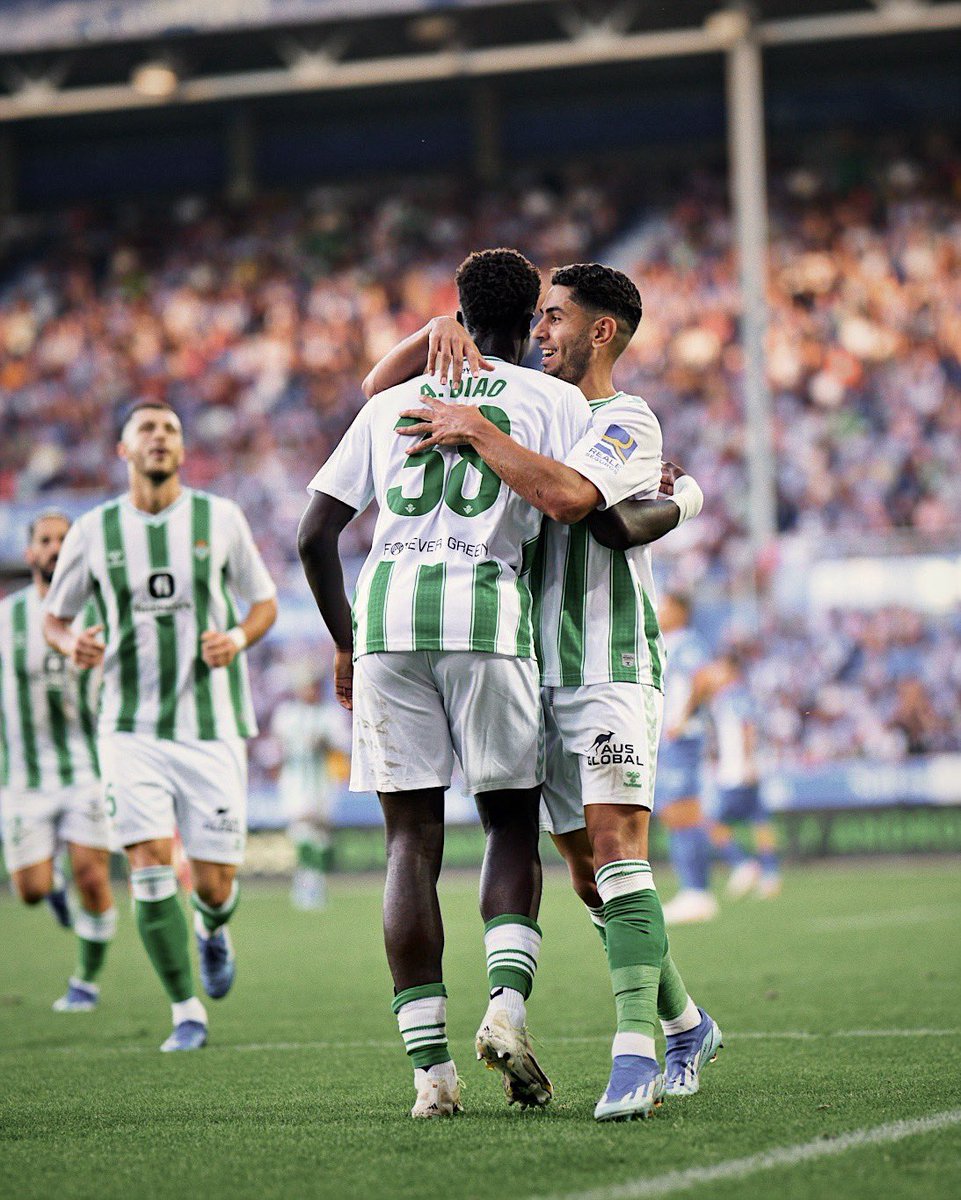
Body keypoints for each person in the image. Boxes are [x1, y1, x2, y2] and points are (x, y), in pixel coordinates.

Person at [381, 262, 721, 1121]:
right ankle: (686, 1023)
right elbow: (377, 393)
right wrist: (436, 334)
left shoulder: (623, 418)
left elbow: (575, 500)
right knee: (582, 876)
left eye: (554, 317)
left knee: (615, 848)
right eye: (535, 317)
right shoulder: (528, 397)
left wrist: (475, 429)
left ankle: (635, 1055)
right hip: (526, 666)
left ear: (600, 331)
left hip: (606, 661)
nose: (538, 330)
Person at [298, 247, 598, 1119]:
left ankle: (430, 1077)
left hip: (388, 620)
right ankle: (505, 1008)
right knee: (509, 822)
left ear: (457, 315)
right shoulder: (553, 400)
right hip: (487, 617)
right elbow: (582, 499)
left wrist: (347, 643)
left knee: (408, 844)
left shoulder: (394, 402)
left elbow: (314, 537)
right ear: (530, 317)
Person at [43, 400, 278, 1051]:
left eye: (171, 429)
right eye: (146, 429)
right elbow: (54, 619)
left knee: (214, 885)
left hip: (212, 726)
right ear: (124, 449)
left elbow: (262, 605)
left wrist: (235, 638)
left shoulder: (219, 518)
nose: (160, 438)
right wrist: (72, 647)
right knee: (145, 863)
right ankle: (185, 1011)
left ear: (181, 448)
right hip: (128, 726)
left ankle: (211, 927)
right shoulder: (94, 532)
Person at [0, 511, 116, 1012]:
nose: (54, 547)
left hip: (88, 769)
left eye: (63, 540)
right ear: (29, 553)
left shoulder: (101, 613)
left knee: (94, 878)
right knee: (30, 889)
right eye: (44, 540)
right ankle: (52, 888)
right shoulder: (7, 619)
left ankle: (85, 982)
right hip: (23, 777)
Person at [687, 649, 782, 899]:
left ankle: (741, 863)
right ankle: (770, 874)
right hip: (744, 767)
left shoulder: (733, 695)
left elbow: (746, 726)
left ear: (730, 670)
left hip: (737, 770)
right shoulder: (734, 694)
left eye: (719, 669)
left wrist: (748, 762)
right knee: (759, 819)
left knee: (710, 821)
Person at [656, 593, 718, 925]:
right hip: (670, 741)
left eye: (664, 605)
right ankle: (692, 889)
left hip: (683, 738)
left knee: (684, 812)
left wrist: (683, 717)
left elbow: (704, 679)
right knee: (673, 813)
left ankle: (697, 892)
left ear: (681, 610)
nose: (659, 611)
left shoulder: (689, 643)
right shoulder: (668, 642)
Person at [271, 669, 351, 910]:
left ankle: (314, 881)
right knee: (301, 829)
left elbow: (343, 743)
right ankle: (305, 883)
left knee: (320, 836)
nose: (311, 691)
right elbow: (278, 747)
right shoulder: (286, 713)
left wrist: (325, 742)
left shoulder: (330, 713)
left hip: (322, 782)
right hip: (295, 782)